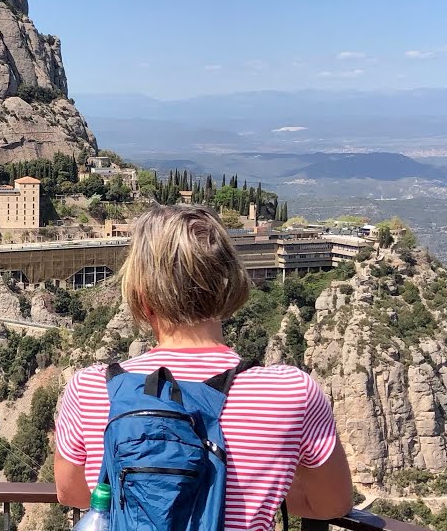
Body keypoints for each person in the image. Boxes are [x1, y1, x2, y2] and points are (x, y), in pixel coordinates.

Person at [54, 206, 353, 531]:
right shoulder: (291, 392)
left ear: (142, 296)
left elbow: (71, 493)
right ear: (228, 283)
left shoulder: (89, 388)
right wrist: (272, 480)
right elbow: (331, 504)